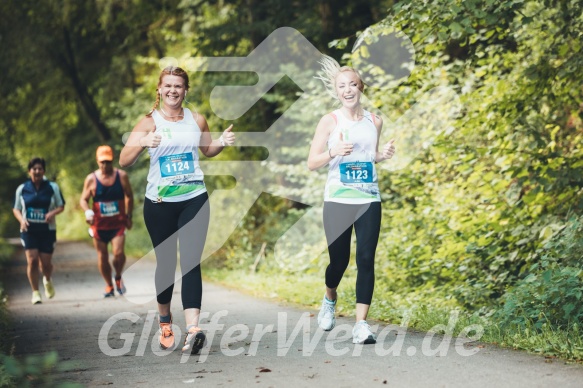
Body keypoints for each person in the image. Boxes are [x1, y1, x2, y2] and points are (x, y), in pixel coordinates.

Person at [119, 66, 235, 354]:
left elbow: (207, 150)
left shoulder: (197, 119)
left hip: (194, 197)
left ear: (186, 90)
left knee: (192, 261)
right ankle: (165, 321)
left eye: (179, 86)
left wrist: (221, 142)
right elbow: (123, 159)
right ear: (159, 89)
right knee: (167, 265)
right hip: (159, 203)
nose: (173, 90)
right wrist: (143, 142)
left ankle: (193, 329)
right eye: (168, 85)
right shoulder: (149, 122)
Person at [307, 56, 396, 344]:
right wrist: (334, 152)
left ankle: (361, 324)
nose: (348, 90)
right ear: (337, 92)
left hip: (369, 197)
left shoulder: (375, 121)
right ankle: (329, 296)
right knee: (339, 261)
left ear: (361, 88)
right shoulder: (329, 121)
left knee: (366, 259)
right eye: (342, 86)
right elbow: (312, 162)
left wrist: (382, 155)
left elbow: (371, 155)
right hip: (337, 199)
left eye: (353, 84)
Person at [80, 145, 134, 298]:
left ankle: (117, 276)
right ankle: (109, 285)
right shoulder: (91, 179)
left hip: (118, 224)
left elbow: (129, 196)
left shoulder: (121, 176)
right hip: (99, 226)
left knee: (118, 253)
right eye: (102, 162)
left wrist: (129, 216)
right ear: (97, 161)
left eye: (108, 162)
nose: (105, 165)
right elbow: (83, 200)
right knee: (102, 256)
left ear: (113, 161)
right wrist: (88, 212)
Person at [12, 157, 65, 305]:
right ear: (29, 171)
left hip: (47, 230)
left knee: (46, 264)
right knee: (32, 260)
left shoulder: (52, 187)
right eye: (34, 169)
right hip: (28, 230)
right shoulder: (22, 189)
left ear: (44, 171)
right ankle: (35, 292)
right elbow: (16, 208)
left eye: (40, 168)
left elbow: (61, 206)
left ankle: (47, 279)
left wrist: (51, 214)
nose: (37, 171)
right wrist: (21, 220)